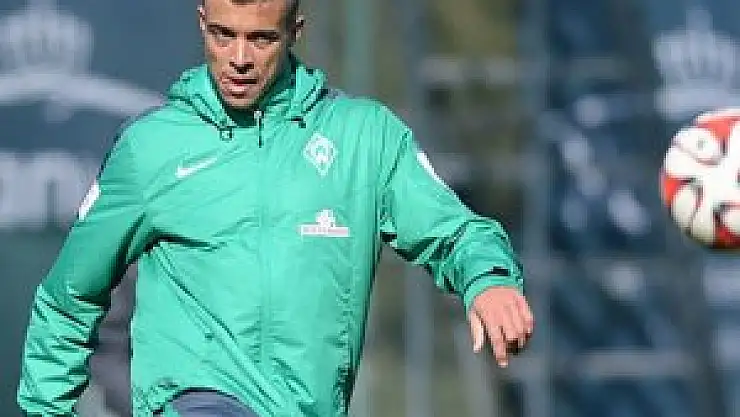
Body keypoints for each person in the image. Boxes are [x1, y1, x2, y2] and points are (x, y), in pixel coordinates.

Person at [17, 0, 534, 416]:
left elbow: (455, 230)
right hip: (192, 403)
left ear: (294, 32)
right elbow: (68, 297)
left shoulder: (363, 139)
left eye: (261, 38)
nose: (239, 58)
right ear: (201, 22)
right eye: (223, 34)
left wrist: (487, 278)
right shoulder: (151, 148)